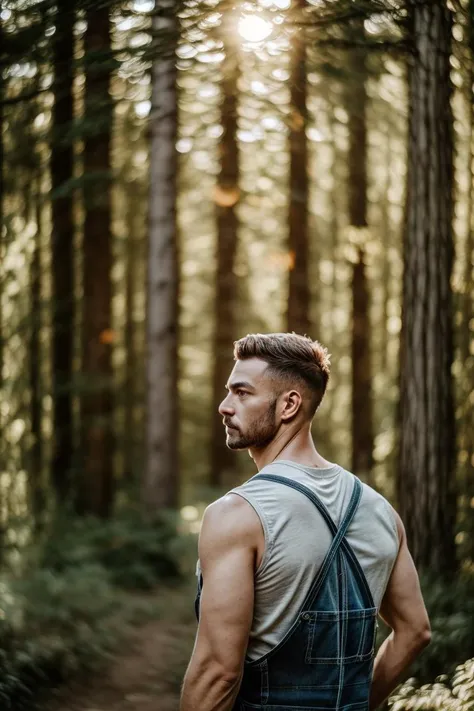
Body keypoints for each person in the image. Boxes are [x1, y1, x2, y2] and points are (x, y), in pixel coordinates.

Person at [180, 332, 431, 711]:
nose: (224, 406)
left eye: (242, 393)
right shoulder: (380, 510)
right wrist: (361, 703)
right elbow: (415, 632)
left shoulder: (238, 513)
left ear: (289, 405)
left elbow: (219, 672)